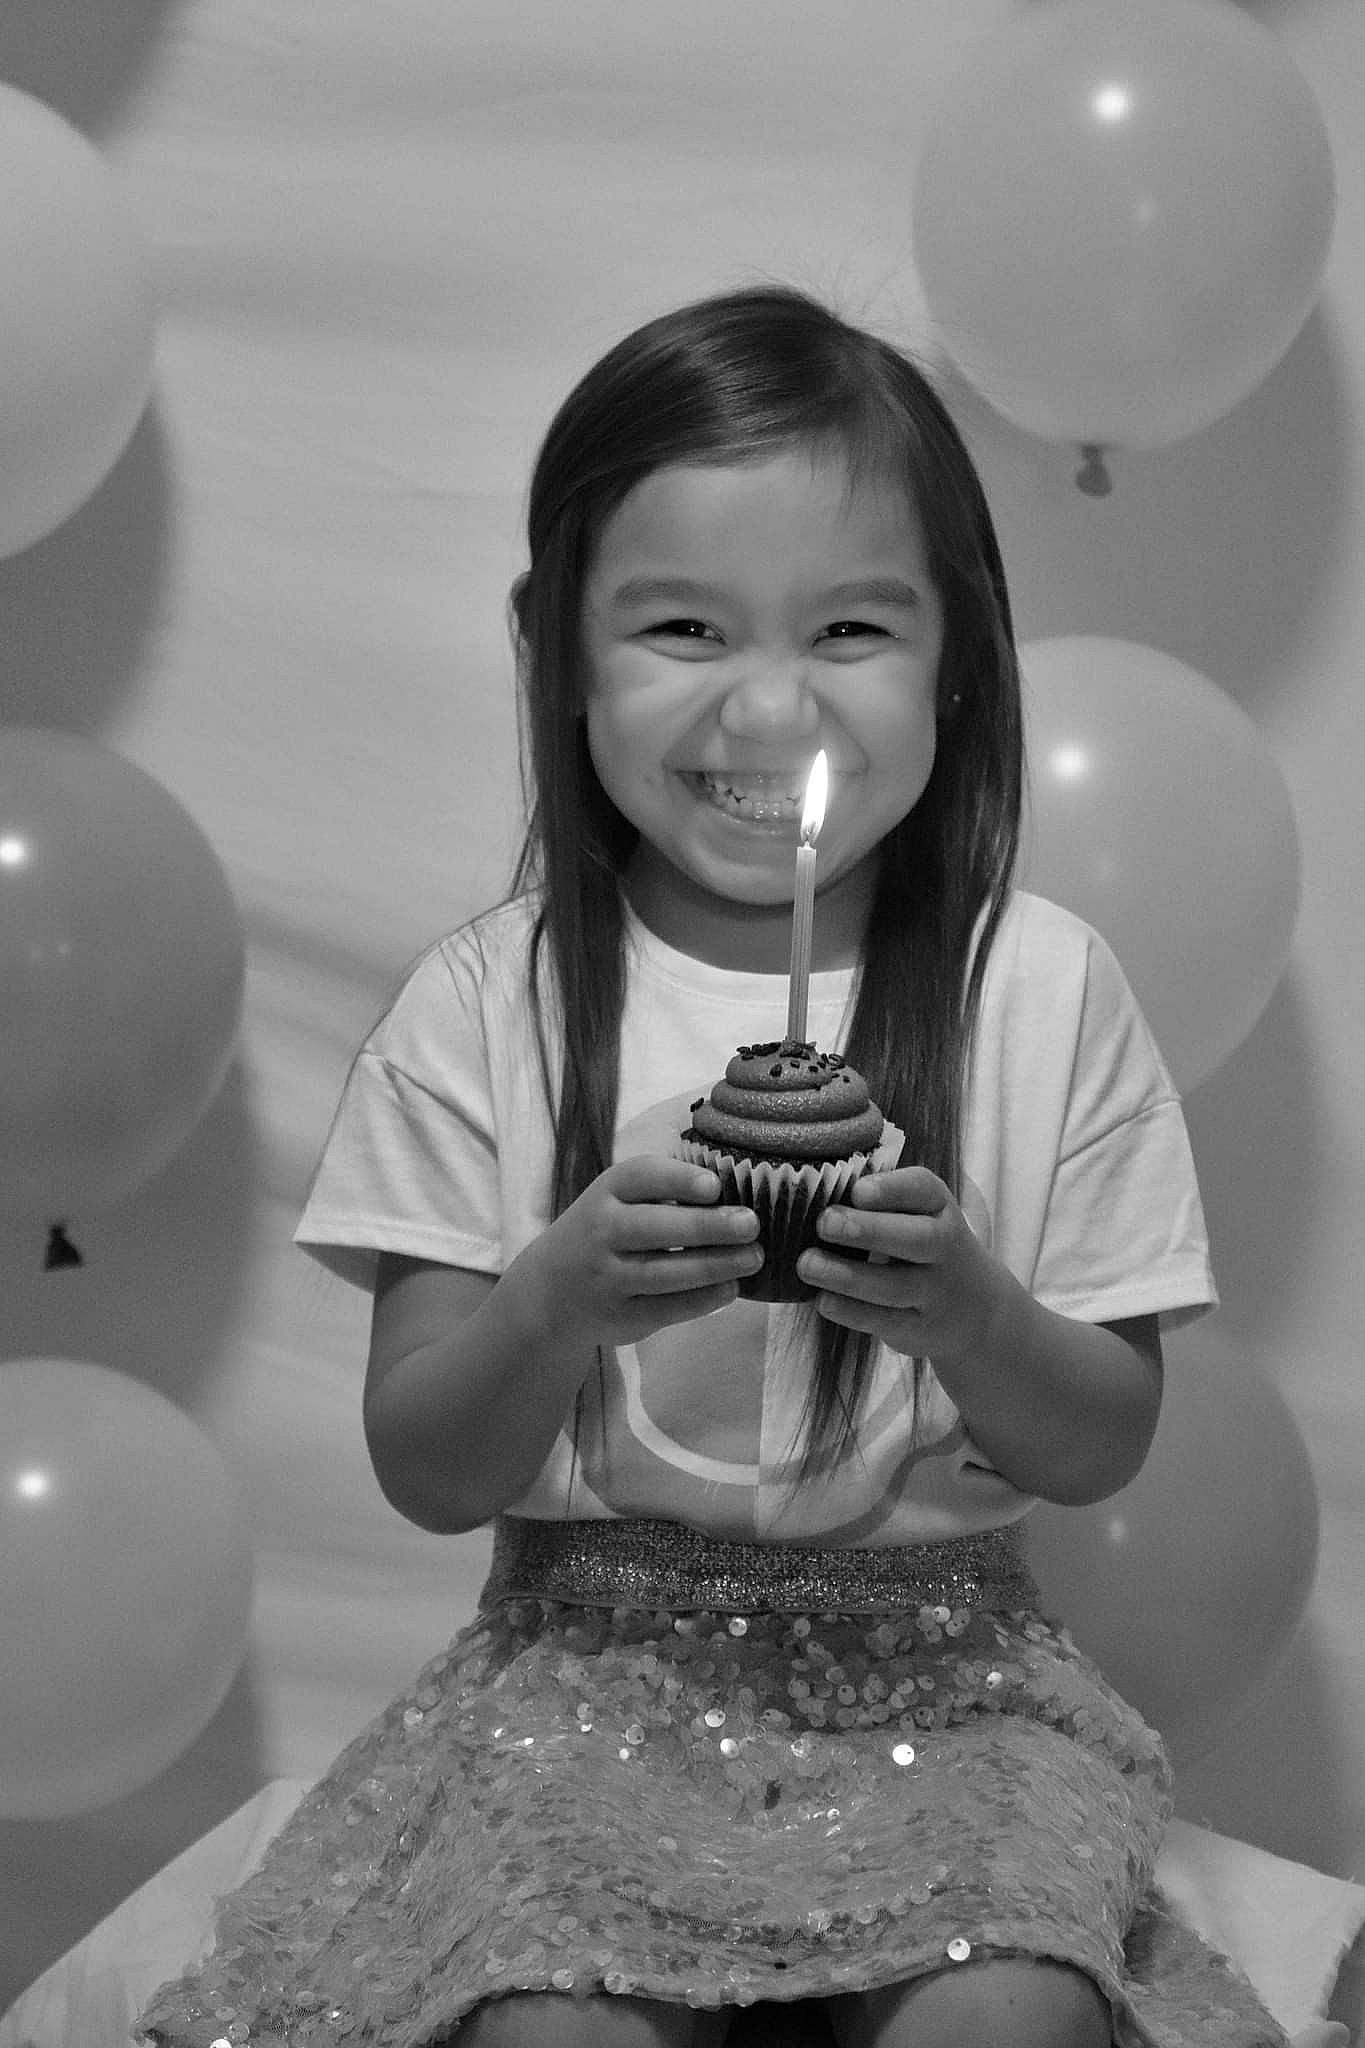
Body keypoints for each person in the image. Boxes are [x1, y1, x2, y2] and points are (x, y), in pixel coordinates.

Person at [135, 286, 1297, 2048]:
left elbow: (1097, 1439)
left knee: (1010, 2022)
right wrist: (550, 1302)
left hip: (948, 1685)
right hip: (584, 1684)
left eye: (848, 628)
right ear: (557, 651)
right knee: (555, 2033)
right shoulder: (491, 1006)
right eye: (681, 625)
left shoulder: (1041, 993)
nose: (772, 708)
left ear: (959, 652)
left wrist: (972, 1313)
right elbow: (429, 1469)